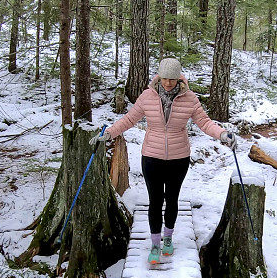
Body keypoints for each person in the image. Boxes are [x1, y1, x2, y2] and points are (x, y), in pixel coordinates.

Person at [90, 57, 237, 265]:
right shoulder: (147, 96)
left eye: (173, 80)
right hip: (151, 156)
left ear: (179, 79)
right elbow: (129, 119)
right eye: (165, 79)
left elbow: (204, 122)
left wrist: (222, 134)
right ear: (159, 77)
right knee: (155, 201)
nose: (168, 83)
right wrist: (109, 134)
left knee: (172, 199)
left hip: (179, 158)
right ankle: (155, 243)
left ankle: (168, 238)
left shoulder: (190, 99)